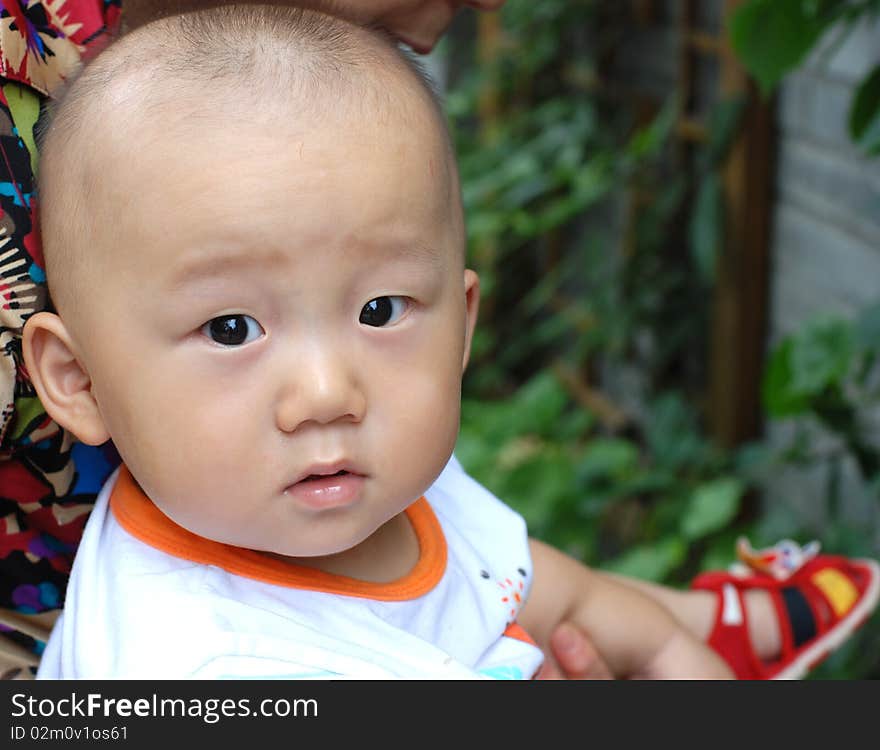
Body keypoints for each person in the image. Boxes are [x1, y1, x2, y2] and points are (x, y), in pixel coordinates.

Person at [3, 0, 876, 679]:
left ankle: (714, 623)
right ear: (76, 380)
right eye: (232, 329)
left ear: (463, 320)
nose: (328, 391)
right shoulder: (202, 666)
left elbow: (531, 580)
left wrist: (674, 653)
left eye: (381, 311)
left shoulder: (376, 490)